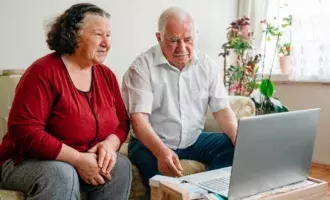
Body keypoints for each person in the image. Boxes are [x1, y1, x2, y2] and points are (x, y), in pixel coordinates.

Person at [0, 3, 132, 200]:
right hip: (26, 161)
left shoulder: (106, 76)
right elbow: (25, 130)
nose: (106, 42)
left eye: (108, 35)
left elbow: (122, 121)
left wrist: (110, 145)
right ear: (73, 36)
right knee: (62, 174)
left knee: (120, 167)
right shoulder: (42, 72)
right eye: (98, 34)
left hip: (83, 158)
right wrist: (78, 159)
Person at [122, 7, 237, 187]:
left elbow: (222, 110)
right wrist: (161, 152)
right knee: (165, 184)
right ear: (159, 38)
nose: (182, 48)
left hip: (193, 140)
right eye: (174, 40)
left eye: (188, 40)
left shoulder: (206, 65)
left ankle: (211, 191)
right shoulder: (141, 67)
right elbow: (139, 121)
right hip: (150, 144)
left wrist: (238, 137)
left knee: (232, 148)